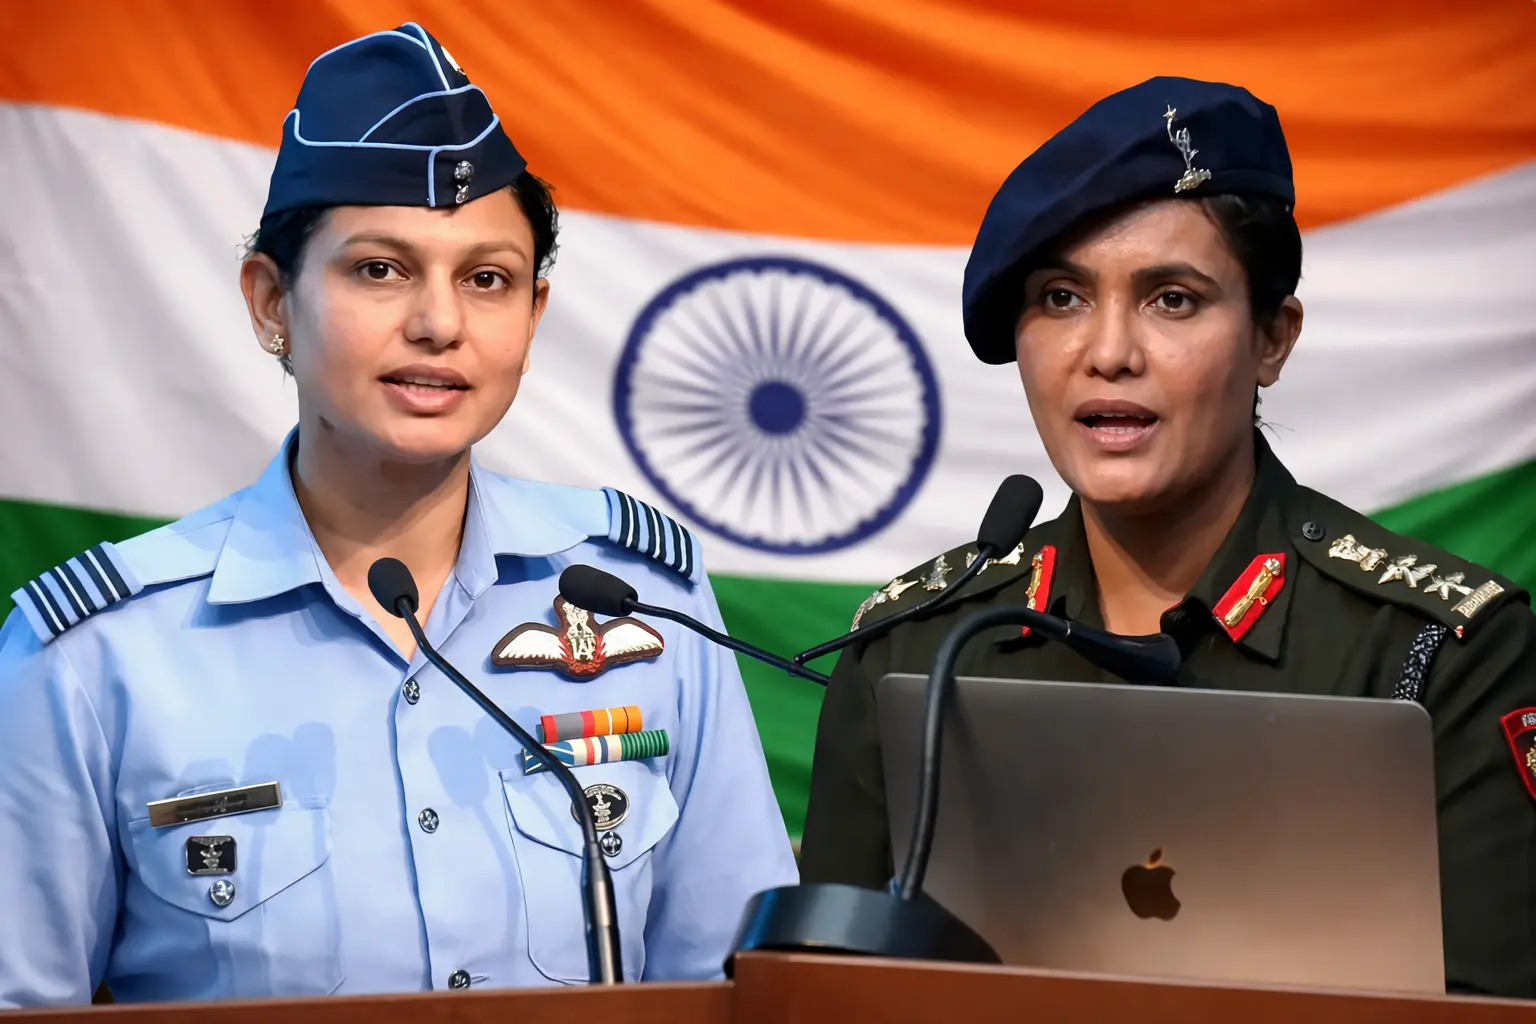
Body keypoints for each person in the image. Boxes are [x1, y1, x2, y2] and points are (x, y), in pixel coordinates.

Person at [0, 23, 795, 1007]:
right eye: (379, 269)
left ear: (534, 315)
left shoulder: (636, 598)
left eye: (487, 279)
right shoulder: (95, 655)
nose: (439, 323)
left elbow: (738, 989)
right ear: (271, 302)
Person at [798, 77, 1536, 998]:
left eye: (1172, 300)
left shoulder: (1440, 652)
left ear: (1272, 339)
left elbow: (1489, 1006)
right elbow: (825, 994)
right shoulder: (914, 648)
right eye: (1061, 298)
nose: (1109, 353)